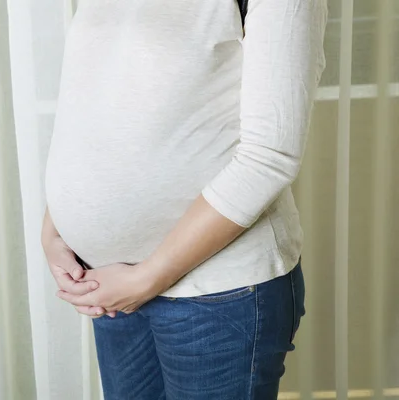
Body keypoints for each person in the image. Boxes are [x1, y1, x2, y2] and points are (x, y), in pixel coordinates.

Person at [41, 0, 327, 398]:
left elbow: (269, 158)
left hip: (219, 294)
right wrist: (54, 229)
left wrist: (147, 278)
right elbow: (95, 109)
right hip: (109, 283)